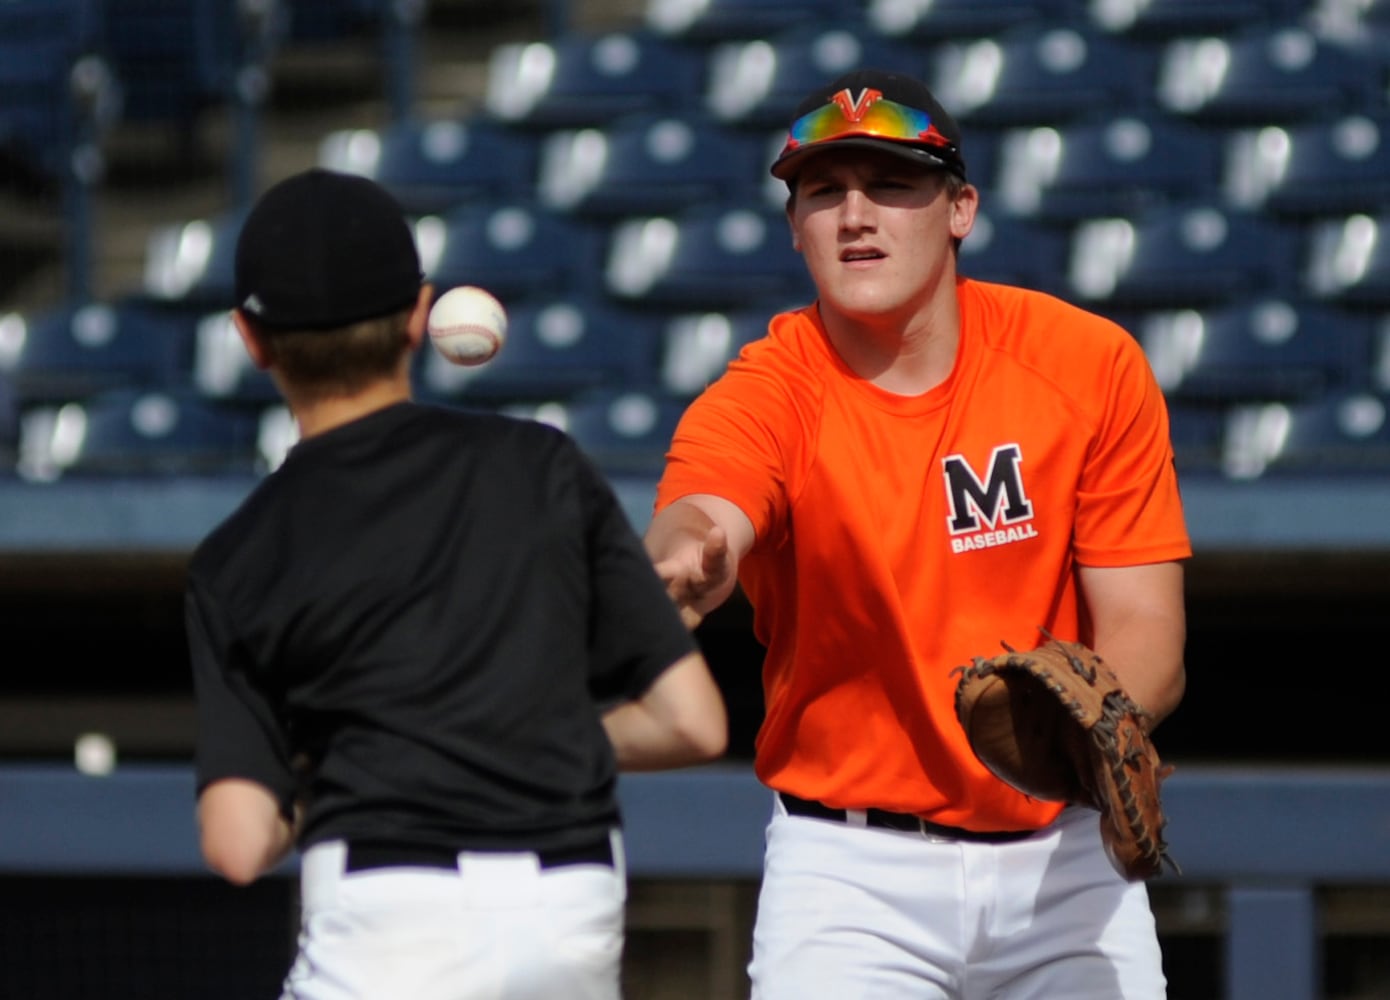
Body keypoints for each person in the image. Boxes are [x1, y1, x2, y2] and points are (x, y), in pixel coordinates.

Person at [644, 69, 1190, 999]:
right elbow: (705, 515)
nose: (857, 213)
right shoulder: (766, 393)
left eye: (893, 183)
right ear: (794, 226)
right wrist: (688, 554)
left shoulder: (1085, 363)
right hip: (850, 876)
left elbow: (1146, 625)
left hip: (1063, 857)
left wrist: (1090, 725)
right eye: (824, 190)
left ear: (960, 208)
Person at [186, 167, 728, 1000]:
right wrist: (519, 737)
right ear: (418, 315)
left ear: (250, 341)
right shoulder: (541, 463)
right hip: (569, 906)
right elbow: (694, 724)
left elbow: (236, 842)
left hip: (388, 913)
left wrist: (373, 758)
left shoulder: (236, 556)